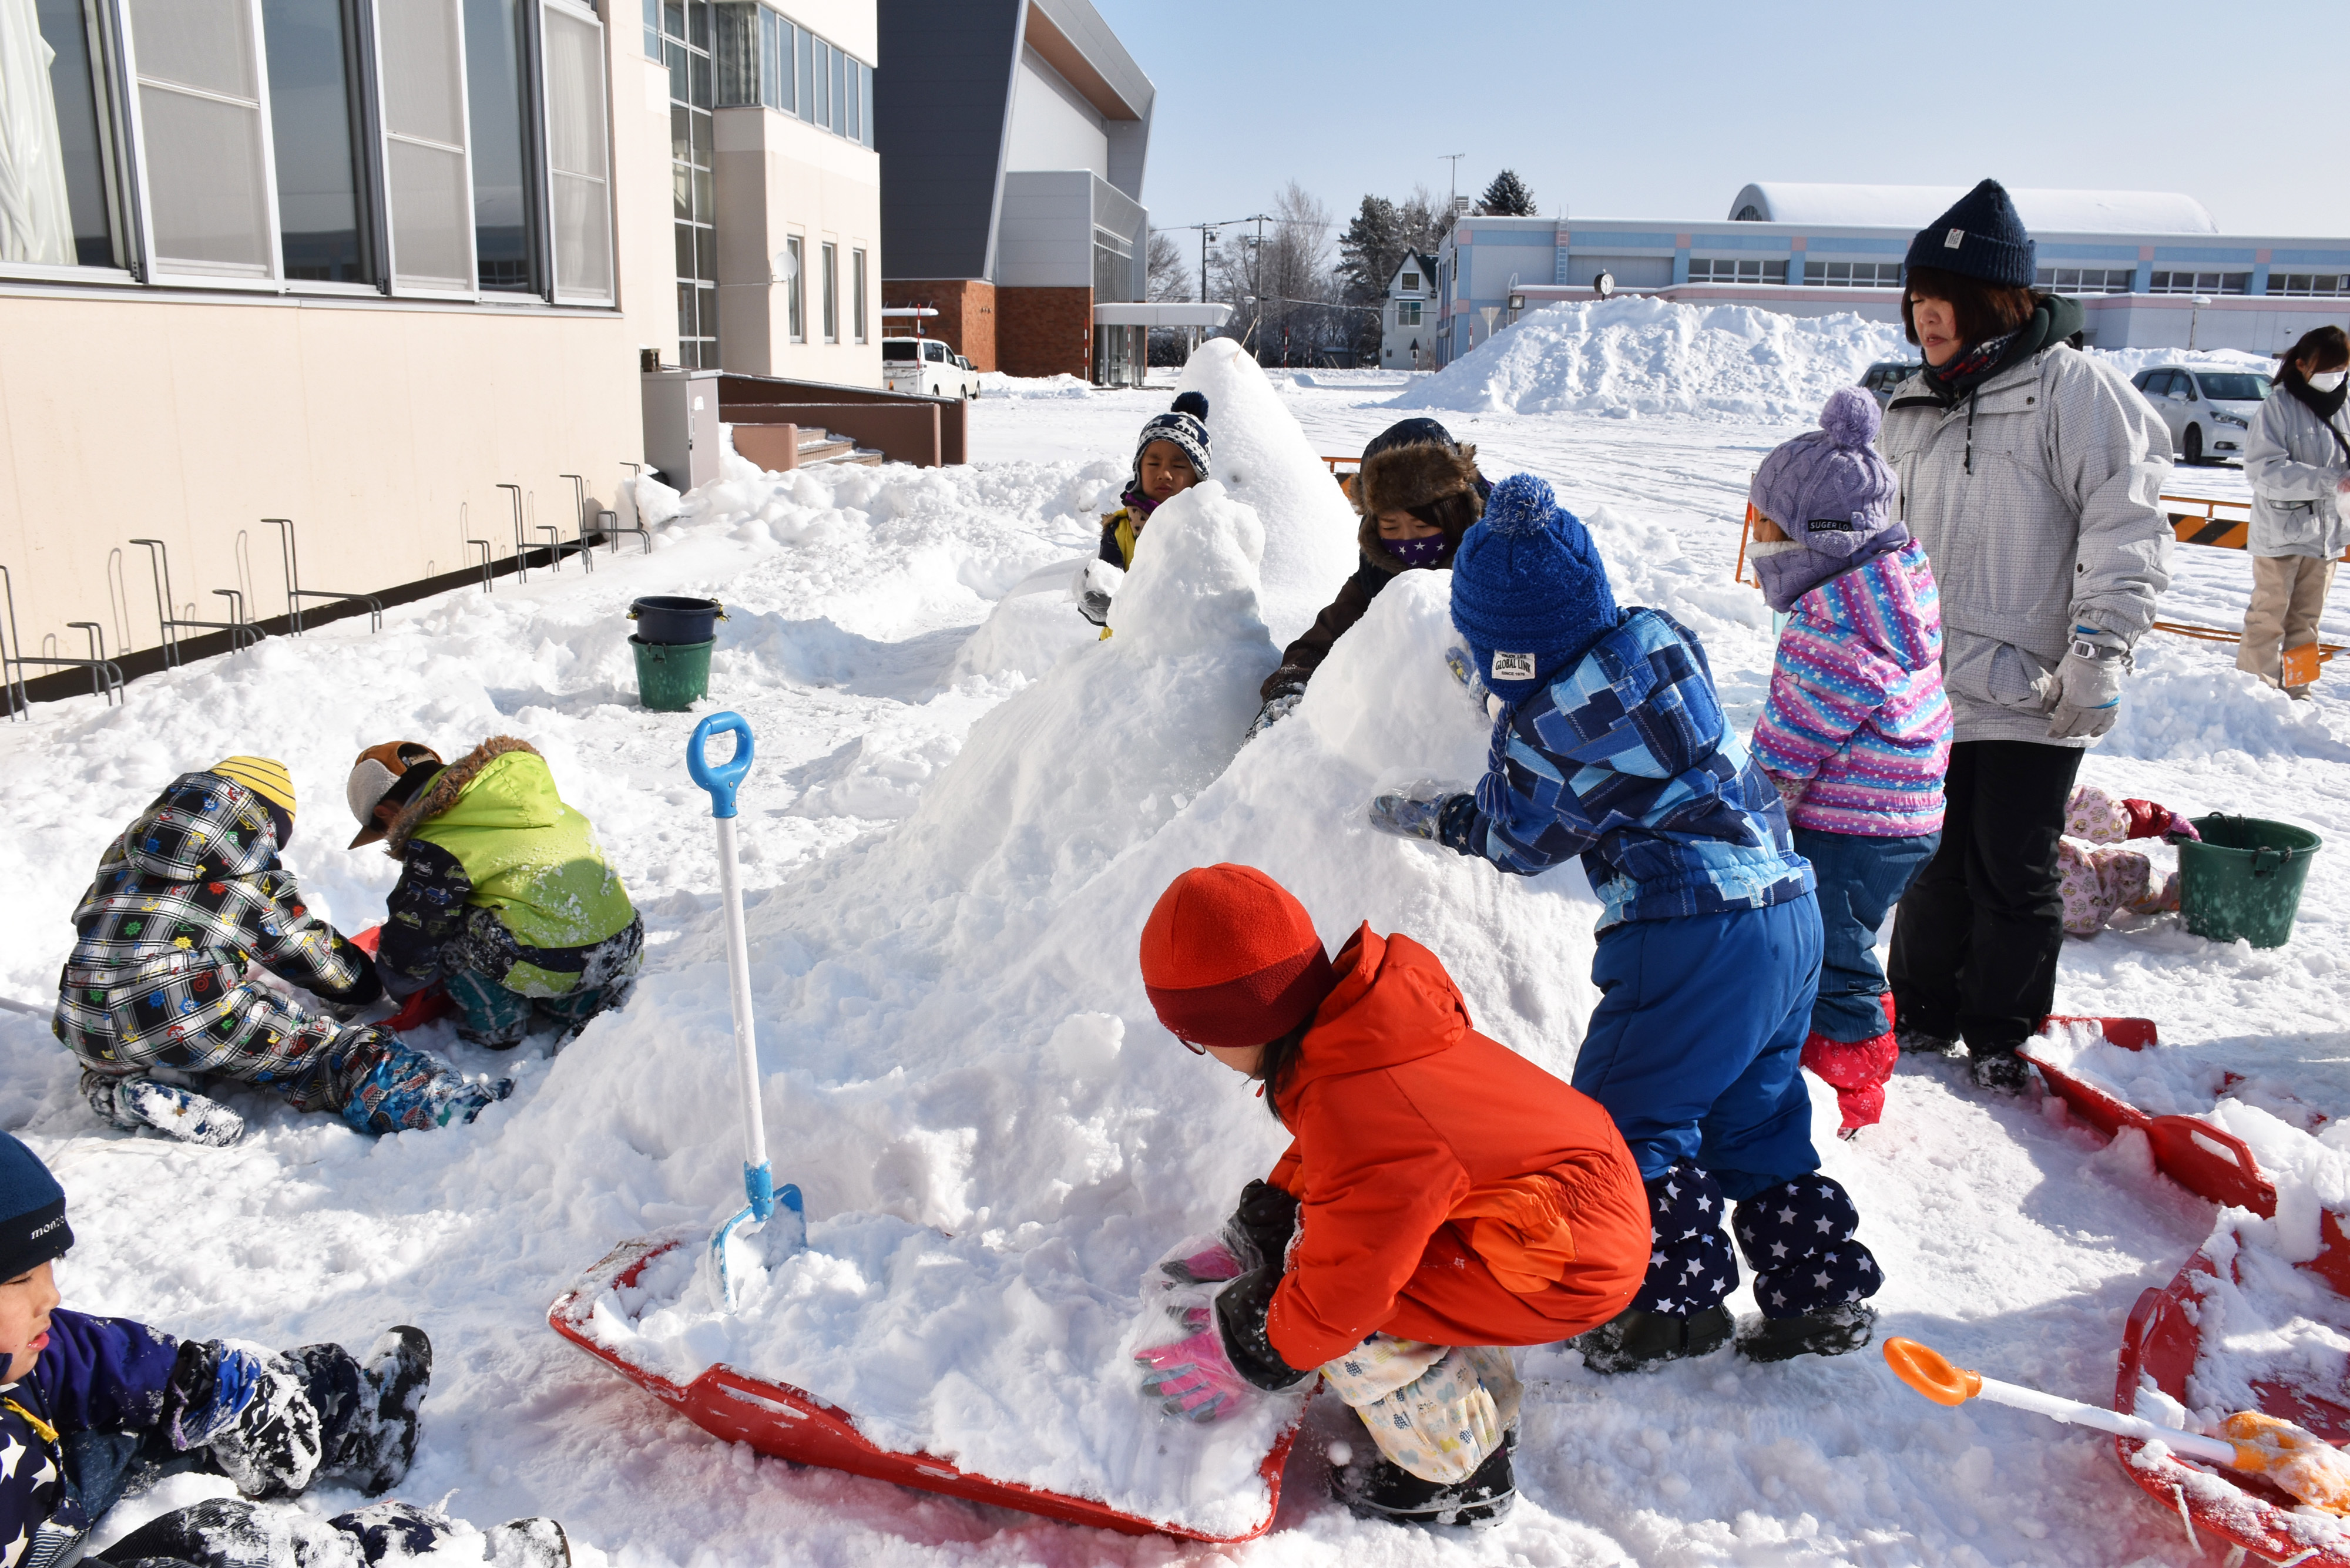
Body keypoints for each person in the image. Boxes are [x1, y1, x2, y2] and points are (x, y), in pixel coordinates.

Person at [1367, 474, 1883, 1371]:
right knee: (1754, 1118)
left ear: (1508, 660)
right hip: (1786, 907)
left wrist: (1437, 814)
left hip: (1690, 932)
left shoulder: (1540, 733)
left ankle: (1671, 1309)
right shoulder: (1663, 642)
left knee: (1624, 1127)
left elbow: (1515, 837)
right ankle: (1819, 1292)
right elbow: (1604, 721)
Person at [1128, 864, 1648, 1526]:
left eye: (1197, 1040)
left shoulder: (1361, 1101)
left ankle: (1457, 1471)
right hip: (1557, 1216)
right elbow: (1365, 1163)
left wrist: (1253, 1346)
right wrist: (1270, 1220)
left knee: (1343, 1318)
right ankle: (1479, 1403)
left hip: (1563, 1260)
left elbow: (1343, 1288)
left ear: (1235, 1026)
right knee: (1324, 1267)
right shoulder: (1361, 1034)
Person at [1877, 179, 2173, 1094]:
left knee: (2012, 868)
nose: (1928, 319)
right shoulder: (1912, 404)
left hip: (2031, 686)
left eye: (1946, 302)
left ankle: (2002, 1036)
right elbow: (1879, 539)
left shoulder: (2072, 392)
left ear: (1996, 302)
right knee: (1929, 862)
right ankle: (1920, 1020)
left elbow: (2126, 527)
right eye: (1919, 301)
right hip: (1927, 685)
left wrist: (2099, 651)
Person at [0, 1131, 568, 1568]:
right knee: (226, 1544)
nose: (50, 1294)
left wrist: (206, 1383)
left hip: (46, 1483)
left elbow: (79, 1353)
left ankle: (358, 1421)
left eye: (50, 1267)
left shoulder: (17, 1354)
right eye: (19, 1280)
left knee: (186, 1408)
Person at [52, 758, 507, 1143]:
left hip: (84, 1015)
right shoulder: (242, 866)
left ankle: (125, 1093)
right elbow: (307, 952)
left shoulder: (123, 855)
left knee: (118, 1058)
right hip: (188, 1008)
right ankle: (438, 1102)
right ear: (263, 823)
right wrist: (365, 983)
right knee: (328, 1053)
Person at [1745, 388, 1953, 1138]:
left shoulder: (1834, 618)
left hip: (1854, 822)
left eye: (1767, 527)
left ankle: (1856, 1079)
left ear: (1816, 536)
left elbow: (1791, 739)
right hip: (1904, 808)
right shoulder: (1890, 585)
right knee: (1844, 935)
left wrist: (1743, 802)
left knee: (1832, 945)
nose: (1758, 541)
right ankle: (1830, 1039)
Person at [347, 738, 642, 1049]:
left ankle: (499, 1022)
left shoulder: (441, 838)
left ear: (385, 813)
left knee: (440, 923)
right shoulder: (521, 796)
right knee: (512, 911)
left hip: (556, 963)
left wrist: (397, 985)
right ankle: (575, 1003)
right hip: (622, 945)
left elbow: (413, 942)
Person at [1246, 419, 1489, 737]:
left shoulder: (1492, 571)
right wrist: (1287, 693)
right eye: (1391, 527)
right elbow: (1319, 645)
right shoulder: (1375, 578)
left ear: (1453, 515)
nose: (1407, 540)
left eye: (1422, 527)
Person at [2240, 325, 2350, 698]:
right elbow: (2263, 470)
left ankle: (2298, 688)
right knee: (2268, 616)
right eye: (2328, 369)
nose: (2335, 377)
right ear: (2302, 366)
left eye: (2342, 368)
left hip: (2328, 535)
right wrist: (2329, 480)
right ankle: (2255, 691)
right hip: (2282, 533)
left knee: (2307, 620)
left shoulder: (2346, 405)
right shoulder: (2279, 407)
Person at [1073, 391, 1211, 630]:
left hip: (1190, 653)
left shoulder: (1209, 529)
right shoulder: (1120, 530)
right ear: (1139, 469)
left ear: (1198, 479)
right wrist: (1098, 599)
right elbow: (1107, 582)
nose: (1164, 474)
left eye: (1178, 465)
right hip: (1127, 651)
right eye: (1153, 463)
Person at [2056, 785, 2198, 938]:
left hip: (2033, 909)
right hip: (2069, 898)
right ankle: (2180, 892)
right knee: (2123, 871)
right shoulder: (2036, 783)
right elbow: (2090, 811)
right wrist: (2161, 821)